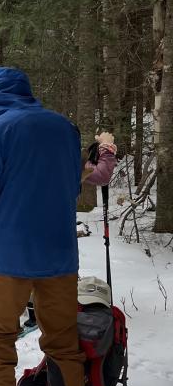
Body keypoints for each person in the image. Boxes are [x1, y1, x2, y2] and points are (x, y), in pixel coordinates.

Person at [0, 67, 85, 386]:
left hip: (10, 256)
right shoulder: (66, 129)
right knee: (63, 336)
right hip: (60, 253)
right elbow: (72, 187)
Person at [21, 132, 118, 328]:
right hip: (51, 226)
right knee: (45, 269)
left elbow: (95, 172)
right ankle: (37, 312)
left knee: (32, 267)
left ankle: (30, 312)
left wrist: (101, 150)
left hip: (31, 224)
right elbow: (102, 175)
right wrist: (106, 147)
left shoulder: (33, 157)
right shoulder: (66, 163)